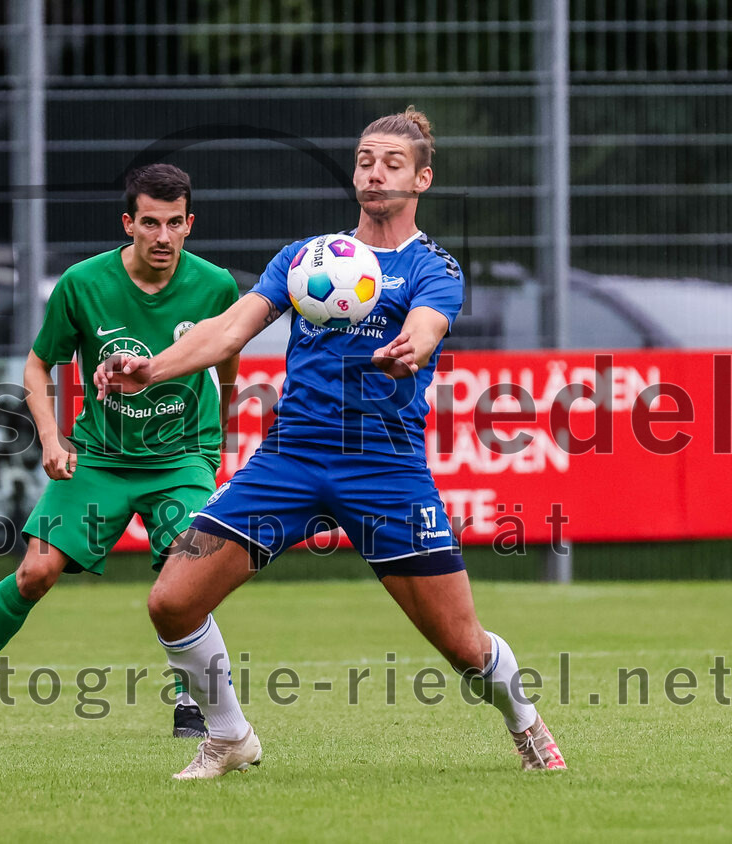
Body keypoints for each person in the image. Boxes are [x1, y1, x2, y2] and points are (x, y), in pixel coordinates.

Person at [95, 108, 567, 779]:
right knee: (172, 599)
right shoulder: (308, 258)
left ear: (423, 179)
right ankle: (229, 736)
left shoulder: (434, 267)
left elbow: (430, 324)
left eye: (392, 163)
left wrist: (415, 345)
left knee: (462, 646)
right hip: (290, 459)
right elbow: (228, 331)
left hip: (384, 469)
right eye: (365, 160)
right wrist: (150, 368)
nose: (374, 172)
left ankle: (523, 721)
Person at [0, 163, 241, 740]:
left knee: (183, 578)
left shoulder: (216, 286)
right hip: (100, 456)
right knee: (36, 572)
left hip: (183, 456)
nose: (162, 237)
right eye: (149, 223)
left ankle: (188, 705)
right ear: (128, 223)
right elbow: (39, 364)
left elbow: (227, 357)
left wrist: (227, 435)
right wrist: (50, 437)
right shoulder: (82, 284)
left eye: (174, 223)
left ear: (190, 224)